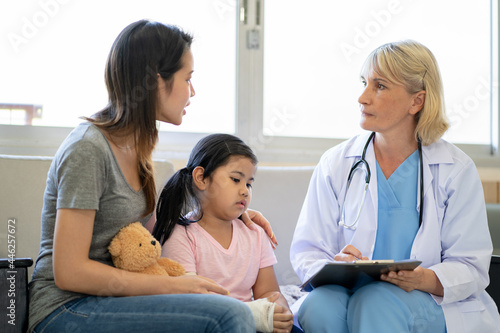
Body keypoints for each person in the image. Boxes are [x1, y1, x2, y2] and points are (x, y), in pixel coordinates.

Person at [28, 19, 274, 333]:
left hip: (109, 302)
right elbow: (69, 272)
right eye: (188, 79)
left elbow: (142, 240)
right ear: (158, 81)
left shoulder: (137, 149)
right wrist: (171, 286)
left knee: (222, 309)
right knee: (228, 315)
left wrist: (233, 213)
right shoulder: (88, 150)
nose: (192, 91)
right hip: (65, 308)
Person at [290, 40, 500, 333]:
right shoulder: (336, 163)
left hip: (426, 298)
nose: (362, 97)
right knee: (318, 307)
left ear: (417, 101)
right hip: (350, 291)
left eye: (380, 86)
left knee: (376, 301)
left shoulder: (455, 169)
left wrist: (422, 278)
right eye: (365, 82)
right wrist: (334, 264)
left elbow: (471, 266)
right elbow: (307, 250)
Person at [151, 133, 295, 333]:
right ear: (201, 178)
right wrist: (253, 314)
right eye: (236, 179)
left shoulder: (254, 233)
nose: (245, 190)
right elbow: (193, 301)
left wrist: (280, 309)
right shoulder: (181, 235)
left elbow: (269, 292)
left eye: (249, 183)